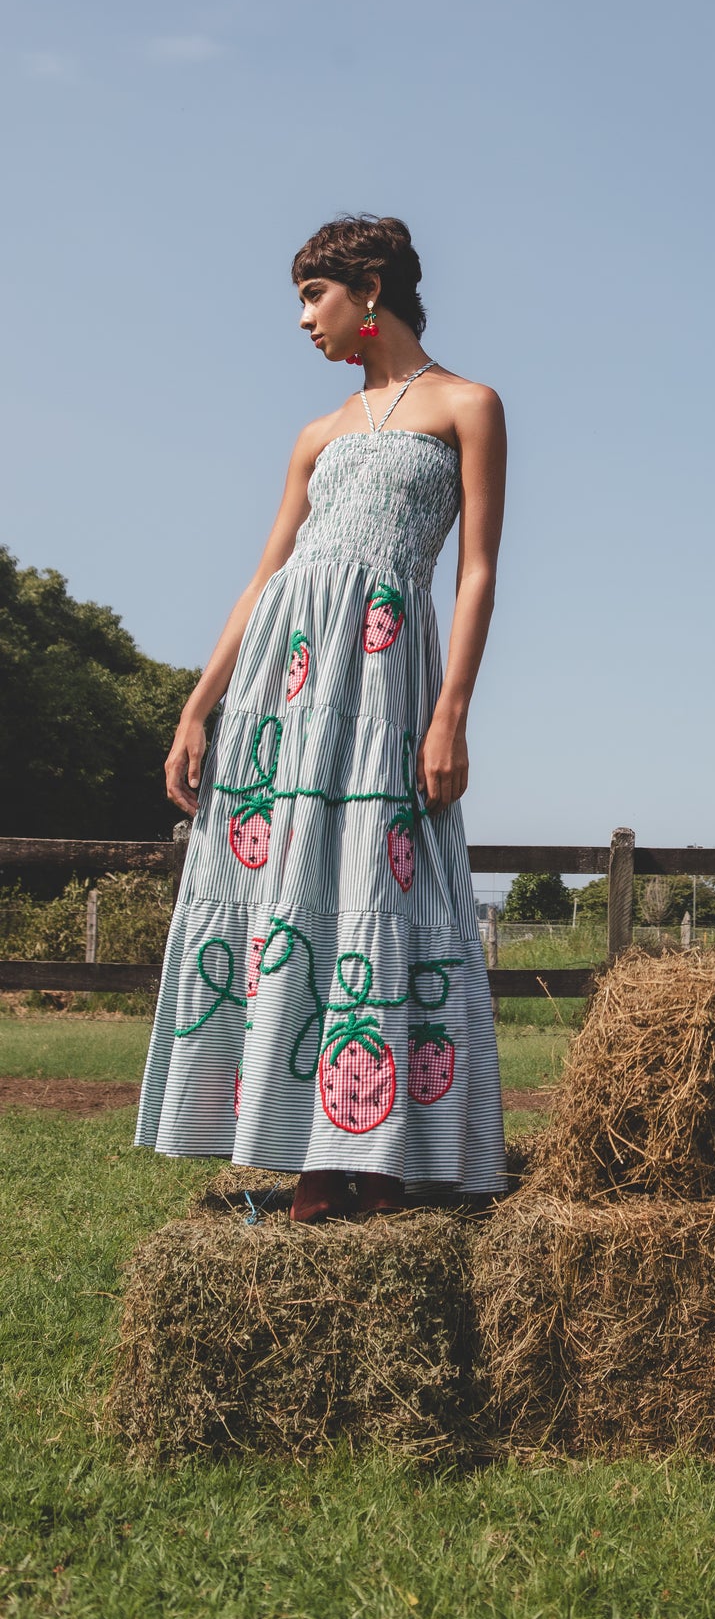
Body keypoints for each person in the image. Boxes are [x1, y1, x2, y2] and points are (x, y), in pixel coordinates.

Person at [136, 215, 507, 1221]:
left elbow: (476, 571)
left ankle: (377, 1156)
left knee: (377, 883)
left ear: (368, 288)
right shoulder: (317, 433)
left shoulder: (468, 404)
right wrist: (197, 707)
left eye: (313, 295)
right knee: (289, 891)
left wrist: (451, 712)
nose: (303, 319)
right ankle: (306, 1157)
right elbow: (266, 575)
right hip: (285, 684)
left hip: (387, 679)